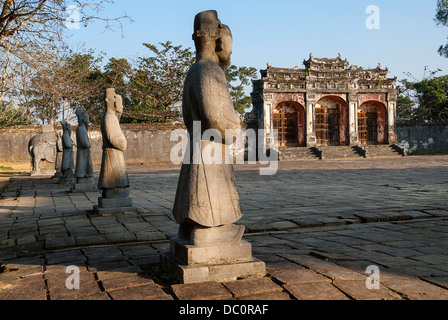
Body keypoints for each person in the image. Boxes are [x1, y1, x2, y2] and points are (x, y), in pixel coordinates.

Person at [173, 10, 245, 246]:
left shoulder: (194, 71)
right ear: (218, 39)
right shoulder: (209, 71)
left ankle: (192, 229)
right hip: (210, 148)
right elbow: (217, 119)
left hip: (198, 145)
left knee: (195, 196)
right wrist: (237, 125)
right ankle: (208, 231)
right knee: (208, 203)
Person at [98, 88, 130, 199]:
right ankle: (114, 190)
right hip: (113, 153)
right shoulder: (110, 117)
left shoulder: (110, 117)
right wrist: (123, 143)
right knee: (114, 179)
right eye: (121, 104)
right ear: (115, 103)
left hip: (113, 153)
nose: (122, 107)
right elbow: (114, 138)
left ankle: (114, 190)